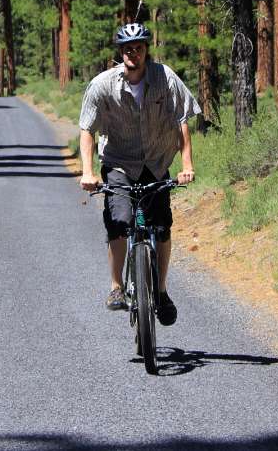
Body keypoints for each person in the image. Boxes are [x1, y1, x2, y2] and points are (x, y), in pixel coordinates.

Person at [78, 22, 200, 326]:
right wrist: (88, 172)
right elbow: (87, 130)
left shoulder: (164, 78)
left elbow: (182, 121)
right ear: (121, 53)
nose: (133, 53)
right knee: (119, 222)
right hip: (119, 163)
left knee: (162, 227)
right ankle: (116, 286)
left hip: (156, 162)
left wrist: (186, 166)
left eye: (139, 48)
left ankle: (160, 291)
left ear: (146, 50)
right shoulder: (103, 85)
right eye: (128, 49)